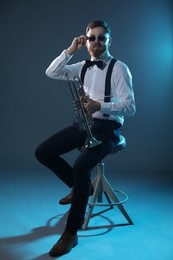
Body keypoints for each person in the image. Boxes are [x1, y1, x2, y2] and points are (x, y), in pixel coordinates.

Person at [35, 20, 136, 257]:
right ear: (86, 40)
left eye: (102, 38)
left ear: (109, 41)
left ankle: (71, 234)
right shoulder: (81, 66)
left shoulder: (120, 68)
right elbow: (51, 72)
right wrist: (70, 51)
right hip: (82, 124)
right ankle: (81, 189)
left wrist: (101, 105)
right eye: (92, 38)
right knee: (43, 152)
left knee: (81, 166)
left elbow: (130, 107)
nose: (97, 42)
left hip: (107, 128)